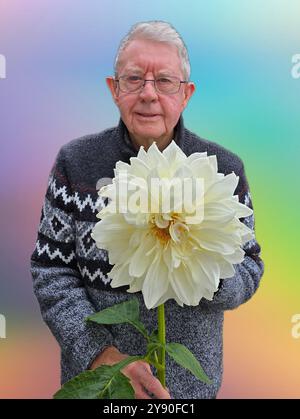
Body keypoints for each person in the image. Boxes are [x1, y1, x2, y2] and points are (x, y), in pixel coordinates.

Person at [30, 21, 264, 399]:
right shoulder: (76, 163)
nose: (149, 95)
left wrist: (206, 270)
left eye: (166, 81)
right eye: (134, 79)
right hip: (102, 387)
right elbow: (51, 269)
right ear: (114, 89)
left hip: (188, 392)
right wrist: (100, 355)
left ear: (186, 94)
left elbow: (250, 268)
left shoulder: (224, 170)